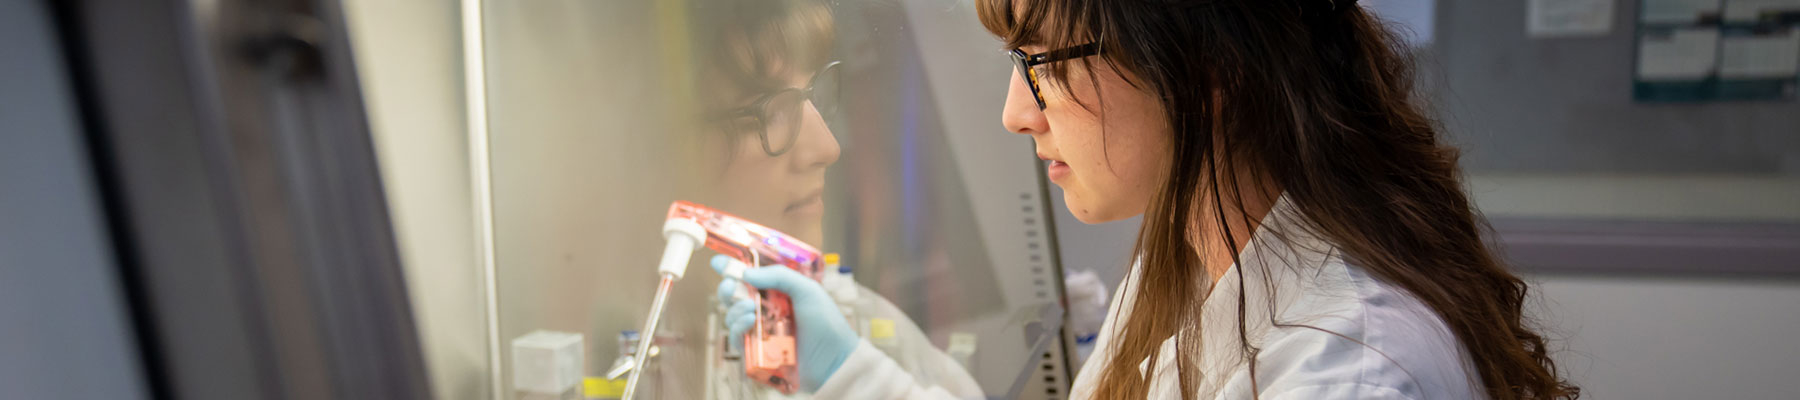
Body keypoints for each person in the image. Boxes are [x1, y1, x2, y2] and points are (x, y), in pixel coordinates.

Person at [716, 0, 1585, 399]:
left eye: (1045, 62)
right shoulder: (1194, 262)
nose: (1017, 114)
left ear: (1208, 64)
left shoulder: (1344, 372)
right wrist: (857, 370)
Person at [683, 0, 984, 397]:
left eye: (812, 96)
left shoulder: (842, 323)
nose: (827, 148)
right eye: (771, 110)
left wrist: (848, 374)